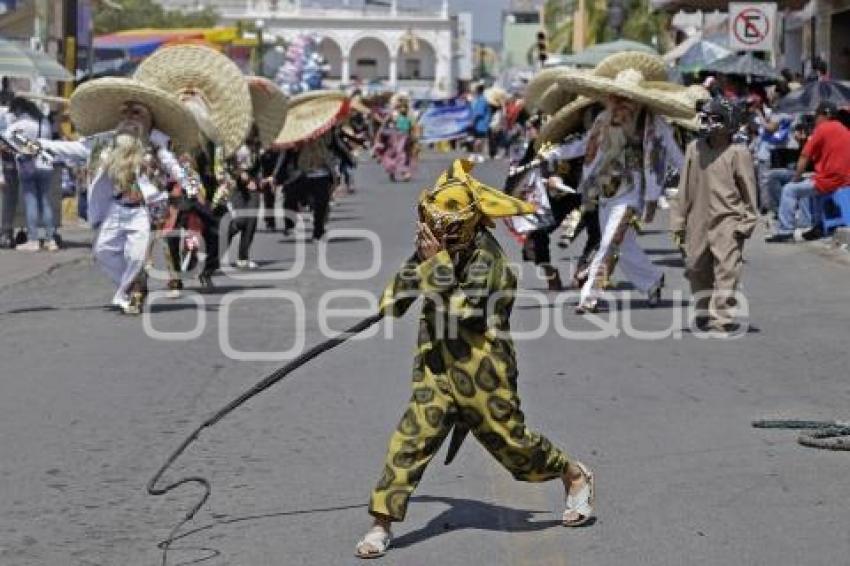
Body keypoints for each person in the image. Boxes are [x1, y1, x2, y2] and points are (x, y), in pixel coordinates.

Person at [354, 159, 595, 559]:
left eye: (445, 227)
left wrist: (433, 264)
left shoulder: (491, 260)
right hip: (437, 368)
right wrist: (392, 300)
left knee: (515, 449)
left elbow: (463, 310)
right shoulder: (436, 248)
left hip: (483, 369)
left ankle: (573, 474)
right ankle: (381, 524)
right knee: (409, 442)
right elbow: (406, 287)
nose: (436, 235)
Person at [37, 77, 199, 314]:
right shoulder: (106, 142)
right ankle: (134, 284)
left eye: (136, 113)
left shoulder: (157, 146)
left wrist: (190, 185)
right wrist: (38, 145)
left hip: (143, 211)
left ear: (149, 119)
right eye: (125, 113)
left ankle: (130, 291)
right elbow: (75, 150)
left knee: (135, 256)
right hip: (115, 208)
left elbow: (176, 167)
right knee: (103, 252)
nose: (129, 118)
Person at [557, 53, 689, 314]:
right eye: (617, 97)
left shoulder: (654, 125)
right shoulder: (602, 121)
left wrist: (692, 177)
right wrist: (551, 154)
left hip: (632, 193)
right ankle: (652, 281)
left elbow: (675, 154)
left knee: (609, 243)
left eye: (627, 98)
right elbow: (584, 146)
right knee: (623, 245)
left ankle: (589, 297)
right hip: (605, 192)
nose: (621, 104)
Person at [669, 97, 758, 334]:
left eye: (715, 119)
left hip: (728, 219)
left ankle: (722, 318)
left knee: (727, 269)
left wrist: (747, 222)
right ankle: (703, 311)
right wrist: (678, 222)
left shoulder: (738, 153)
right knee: (695, 266)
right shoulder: (694, 149)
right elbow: (684, 189)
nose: (708, 123)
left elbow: (749, 192)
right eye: (706, 118)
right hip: (697, 218)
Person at [765, 101, 850, 242]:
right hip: (843, 180)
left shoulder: (823, 129)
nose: (815, 119)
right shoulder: (845, 130)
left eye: (817, 115)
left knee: (789, 189)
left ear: (825, 115)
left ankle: (785, 231)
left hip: (828, 181)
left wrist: (796, 177)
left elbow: (805, 156)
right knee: (812, 185)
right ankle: (817, 227)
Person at [3, 97, 57, 251]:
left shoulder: (18, 125)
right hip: (46, 164)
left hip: (27, 166)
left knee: (31, 201)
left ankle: (33, 239)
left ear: (19, 110)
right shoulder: (44, 123)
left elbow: (7, 143)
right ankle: (50, 239)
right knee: (46, 201)